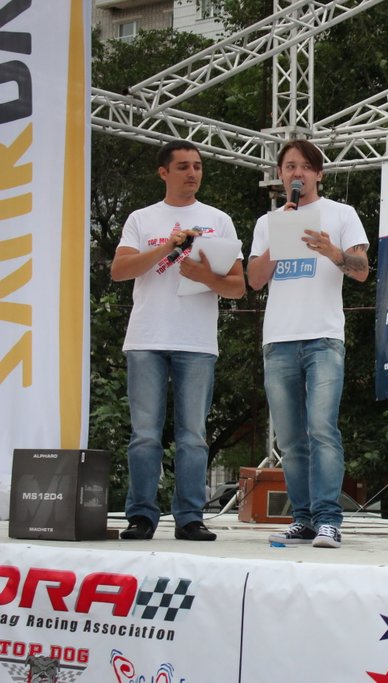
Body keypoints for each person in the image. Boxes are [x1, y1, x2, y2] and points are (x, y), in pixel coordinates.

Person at [111, 140, 246, 541]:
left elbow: (237, 287)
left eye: (198, 166)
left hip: (196, 340)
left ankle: (189, 517)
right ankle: (140, 515)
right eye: (184, 166)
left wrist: (204, 275)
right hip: (147, 337)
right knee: (145, 434)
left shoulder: (218, 220)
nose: (192, 173)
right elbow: (119, 270)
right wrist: (168, 247)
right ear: (163, 172)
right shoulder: (141, 219)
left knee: (193, 435)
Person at [248, 139, 369, 548]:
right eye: (289, 167)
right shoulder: (268, 222)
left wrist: (332, 251)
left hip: (323, 338)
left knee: (322, 429)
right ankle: (302, 519)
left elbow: (361, 270)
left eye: (304, 166)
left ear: (319, 173)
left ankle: (329, 519)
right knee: (290, 439)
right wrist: (279, 238)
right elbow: (255, 280)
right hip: (278, 339)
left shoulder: (341, 214)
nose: (296, 173)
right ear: (280, 175)